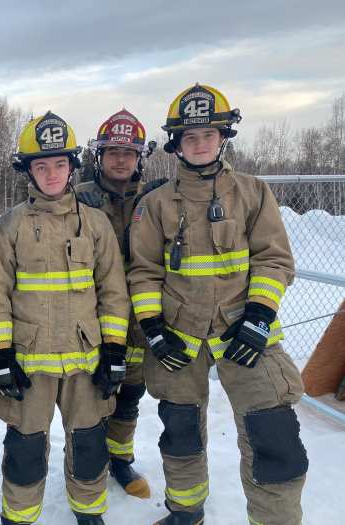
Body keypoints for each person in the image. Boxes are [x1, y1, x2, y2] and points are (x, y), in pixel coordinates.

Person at [128, 83, 308, 525]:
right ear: (176, 144)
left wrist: (260, 317)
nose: (201, 143)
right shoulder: (154, 205)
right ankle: (185, 512)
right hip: (178, 338)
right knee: (181, 432)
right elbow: (145, 271)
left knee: (275, 438)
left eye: (208, 134)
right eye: (190, 137)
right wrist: (153, 328)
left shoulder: (253, 193)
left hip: (246, 333)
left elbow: (274, 258)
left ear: (223, 137)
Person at [0, 112, 130, 525]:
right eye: (40, 166)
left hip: (86, 358)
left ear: (72, 166)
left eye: (59, 164)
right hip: (28, 362)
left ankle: (88, 512)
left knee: (89, 444)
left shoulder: (95, 225)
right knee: (25, 449)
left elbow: (113, 293)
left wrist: (115, 349)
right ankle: (19, 516)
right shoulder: (9, 227)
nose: (50, 174)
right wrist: (0, 356)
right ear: (28, 170)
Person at [76, 109, 161, 499]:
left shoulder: (157, 199)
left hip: (141, 320)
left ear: (140, 157)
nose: (121, 159)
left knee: (130, 395)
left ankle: (121, 459)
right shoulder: (77, 199)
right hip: (91, 319)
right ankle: (85, 465)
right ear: (100, 156)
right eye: (113, 152)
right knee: (93, 398)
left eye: (129, 152)